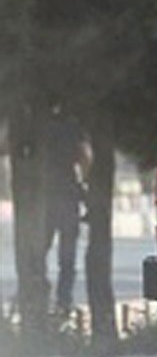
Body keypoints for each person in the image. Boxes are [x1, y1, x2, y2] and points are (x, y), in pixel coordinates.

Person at [41, 101, 92, 316]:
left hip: (44, 194)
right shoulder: (74, 127)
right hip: (68, 194)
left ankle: (38, 293)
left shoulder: (39, 126)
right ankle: (64, 301)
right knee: (67, 255)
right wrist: (84, 184)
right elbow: (85, 157)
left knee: (39, 249)